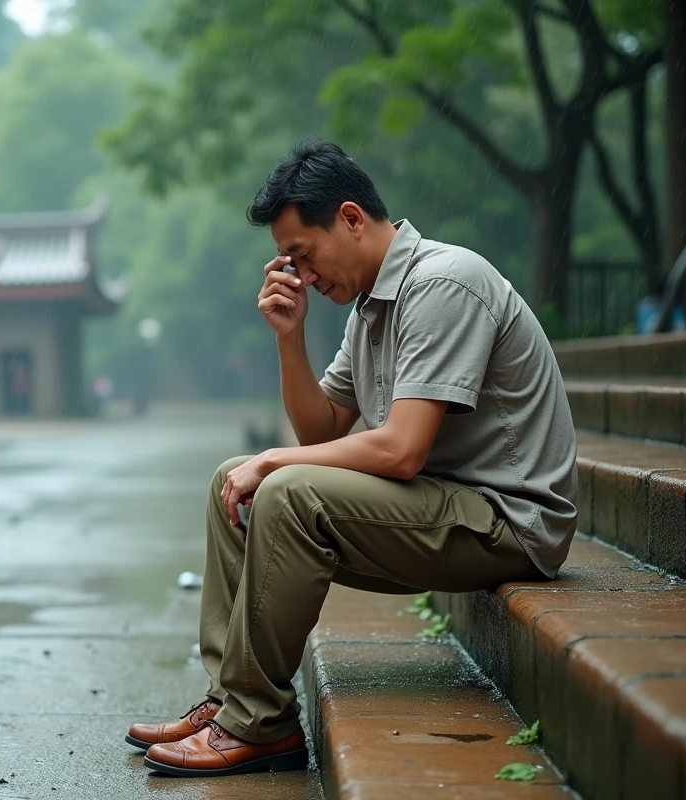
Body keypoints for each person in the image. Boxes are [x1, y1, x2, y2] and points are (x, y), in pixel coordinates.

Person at [127, 140, 577, 777]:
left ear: (351, 218)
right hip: (441, 508)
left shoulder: (443, 283)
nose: (303, 276)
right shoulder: (370, 308)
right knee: (235, 479)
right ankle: (231, 701)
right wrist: (289, 338)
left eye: (304, 255)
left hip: (509, 521)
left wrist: (273, 462)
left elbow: (401, 449)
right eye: (291, 264)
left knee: (284, 488)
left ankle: (259, 723)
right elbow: (321, 430)